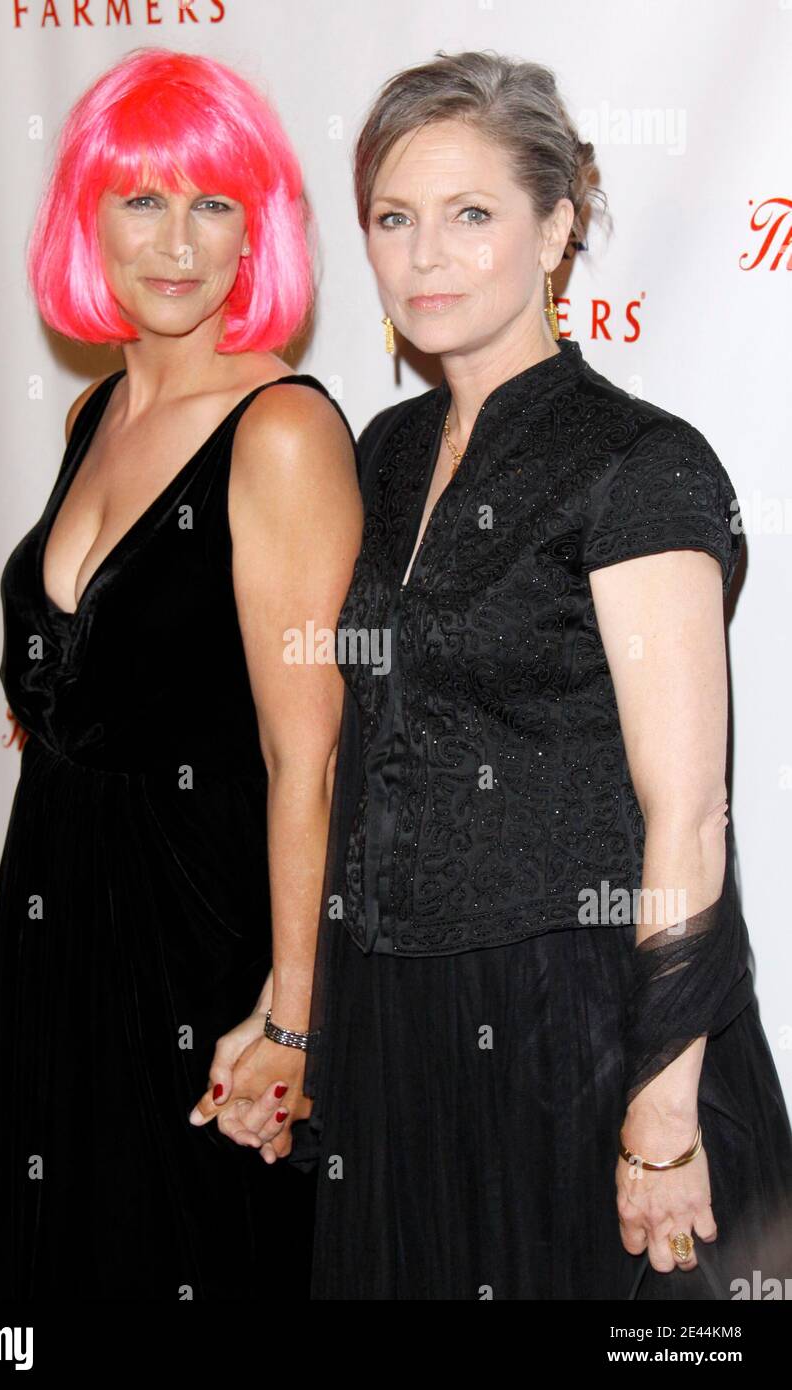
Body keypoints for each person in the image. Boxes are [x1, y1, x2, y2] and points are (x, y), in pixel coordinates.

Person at [282, 49, 792, 1300]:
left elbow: (685, 809)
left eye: (471, 216)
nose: (426, 257)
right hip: (400, 1021)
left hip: (581, 1024)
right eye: (394, 221)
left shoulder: (640, 463)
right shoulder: (388, 452)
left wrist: (662, 1106)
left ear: (557, 228)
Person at [0, 47, 360, 1300]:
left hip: (203, 948)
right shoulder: (97, 416)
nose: (176, 241)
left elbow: (312, 756)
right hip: (54, 928)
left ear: (259, 231)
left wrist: (291, 1014)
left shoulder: (284, 429)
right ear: (90, 219)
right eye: (142, 198)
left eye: (214, 201)